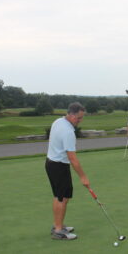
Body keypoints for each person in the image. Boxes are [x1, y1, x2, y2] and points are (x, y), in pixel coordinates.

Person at [45, 102, 90, 240]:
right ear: (71, 115)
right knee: (62, 198)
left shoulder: (58, 121)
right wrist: (83, 177)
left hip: (51, 163)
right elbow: (73, 158)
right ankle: (58, 231)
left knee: (59, 196)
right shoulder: (68, 132)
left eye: (81, 118)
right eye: (78, 118)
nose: (80, 121)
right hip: (59, 166)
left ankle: (58, 224)